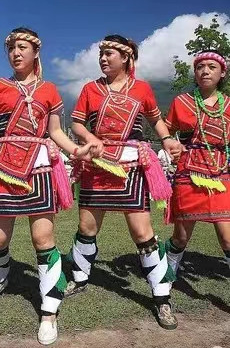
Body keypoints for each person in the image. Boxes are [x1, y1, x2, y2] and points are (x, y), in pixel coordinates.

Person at [0, 27, 93, 345]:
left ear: (35, 52)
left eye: (23, 47)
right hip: (2, 165)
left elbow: (55, 131)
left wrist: (75, 150)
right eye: (12, 47)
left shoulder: (50, 90)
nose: (16, 52)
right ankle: (0, 278)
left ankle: (49, 310)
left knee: (43, 238)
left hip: (39, 166)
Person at [67, 34, 183, 330]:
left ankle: (162, 297)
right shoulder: (90, 89)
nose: (103, 59)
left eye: (109, 54)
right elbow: (77, 123)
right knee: (86, 227)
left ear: (126, 58)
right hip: (97, 163)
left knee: (142, 232)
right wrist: (92, 139)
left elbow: (156, 120)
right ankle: (79, 278)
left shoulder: (142, 89)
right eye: (101, 54)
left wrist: (167, 139)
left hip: (131, 164)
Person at [165, 50, 230, 274]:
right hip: (188, 175)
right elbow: (166, 129)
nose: (205, 71)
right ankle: (167, 275)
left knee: (228, 239)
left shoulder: (229, 105)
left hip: (221, 175)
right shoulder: (181, 102)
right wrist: (172, 145)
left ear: (222, 73)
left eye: (212, 67)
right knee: (181, 237)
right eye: (200, 67)